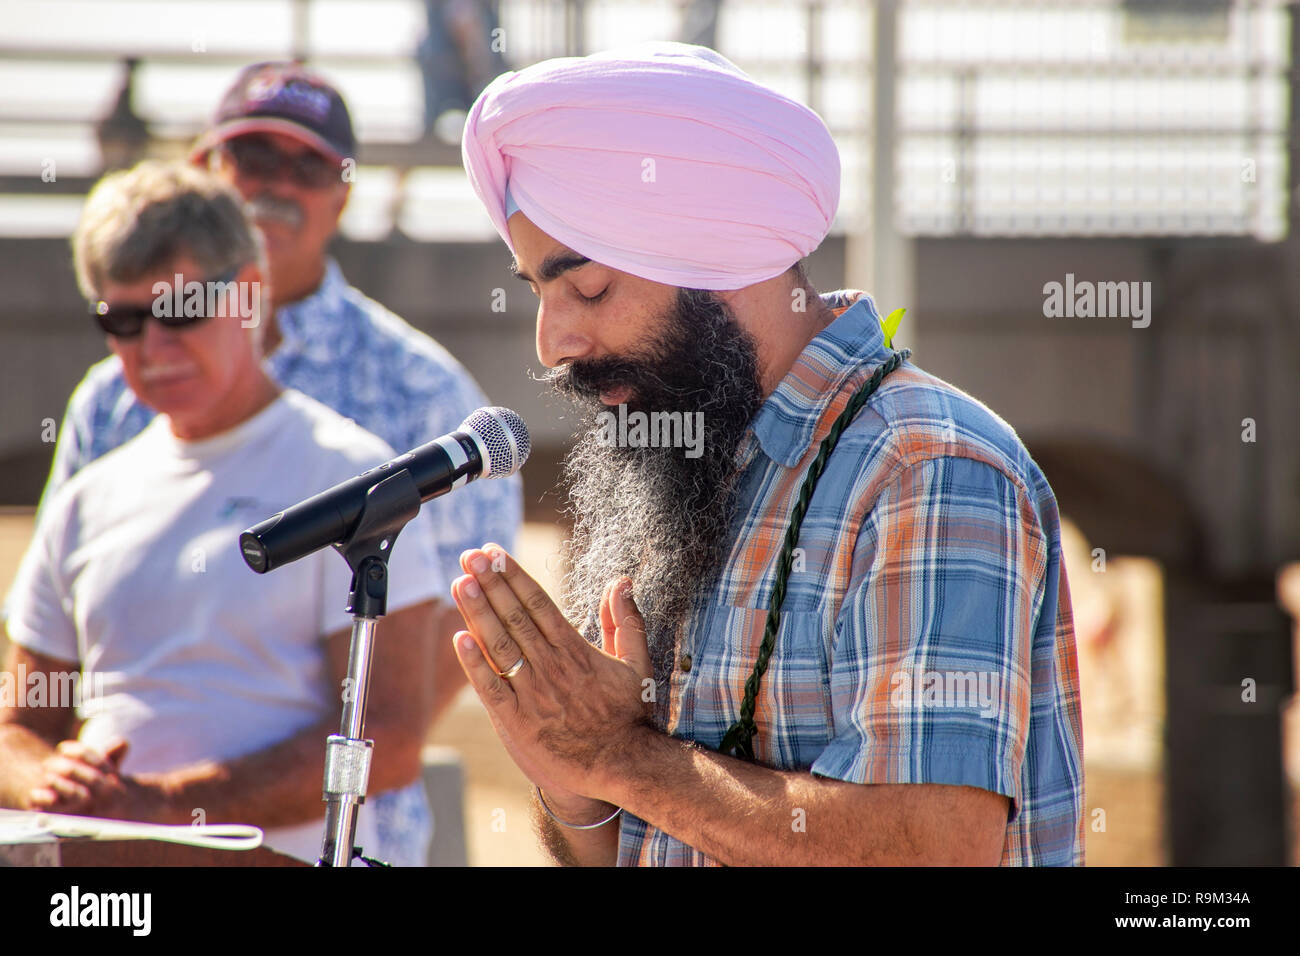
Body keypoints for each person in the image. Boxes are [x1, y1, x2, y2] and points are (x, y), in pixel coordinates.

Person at [449, 42, 1084, 866]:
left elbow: (932, 848)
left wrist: (618, 756)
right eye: (538, 291)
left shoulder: (923, 470)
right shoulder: (686, 462)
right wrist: (577, 784)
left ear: (717, 256)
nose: (554, 342)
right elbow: (643, 837)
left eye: (589, 288)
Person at [38, 61, 524, 857]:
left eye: (309, 165)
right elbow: (69, 611)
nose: (278, 185)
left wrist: (301, 774)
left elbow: (457, 632)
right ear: (205, 171)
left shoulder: (420, 387)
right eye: (255, 158)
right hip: (117, 859)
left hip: (345, 837)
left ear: (344, 192)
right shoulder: (110, 396)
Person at [0, 161, 446, 865]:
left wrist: (165, 807)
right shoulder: (88, 497)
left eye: (179, 311)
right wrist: (45, 778)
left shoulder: (352, 475)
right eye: (122, 320)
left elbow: (387, 740)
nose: (152, 348)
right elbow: (15, 730)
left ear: (248, 295)